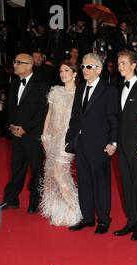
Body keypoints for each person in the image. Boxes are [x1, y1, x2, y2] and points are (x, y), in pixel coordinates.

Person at [65, 53, 119, 234]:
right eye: (83, 66)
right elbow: (75, 116)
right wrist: (70, 138)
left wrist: (113, 142)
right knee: (84, 181)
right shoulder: (80, 88)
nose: (84, 70)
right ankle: (87, 217)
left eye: (89, 67)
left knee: (101, 182)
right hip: (81, 143)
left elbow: (114, 119)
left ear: (99, 69)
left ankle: (103, 220)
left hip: (100, 144)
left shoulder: (109, 90)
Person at [0, 54, 49, 213]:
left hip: (33, 135)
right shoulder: (13, 83)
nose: (14, 65)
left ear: (29, 65)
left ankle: (35, 202)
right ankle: (11, 200)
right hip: (16, 134)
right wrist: (12, 126)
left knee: (36, 170)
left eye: (18, 62)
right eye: (14, 62)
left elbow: (42, 111)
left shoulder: (41, 85)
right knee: (16, 168)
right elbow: (11, 108)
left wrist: (25, 128)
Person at [113, 50, 137, 241]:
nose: (119, 66)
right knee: (126, 184)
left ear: (134, 65)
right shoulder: (120, 87)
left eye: (123, 63)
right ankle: (130, 220)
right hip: (122, 146)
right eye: (118, 63)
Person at [40, 62, 82, 226]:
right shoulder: (55, 91)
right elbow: (49, 114)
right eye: (61, 70)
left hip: (68, 138)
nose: (63, 73)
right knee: (51, 174)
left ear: (75, 74)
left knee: (59, 172)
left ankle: (75, 208)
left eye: (66, 70)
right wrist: (44, 135)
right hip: (53, 137)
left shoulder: (79, 94)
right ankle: (58, 209)